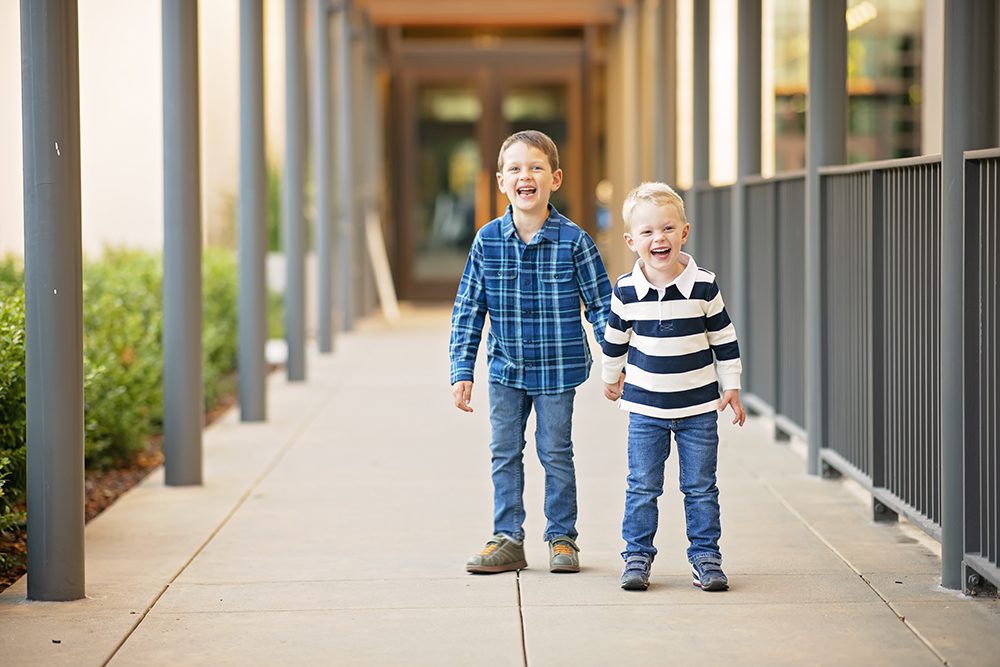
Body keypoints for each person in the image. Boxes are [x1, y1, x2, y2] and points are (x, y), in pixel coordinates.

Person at [450, 130, 612, 575]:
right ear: (501, 181)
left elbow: (601, 304)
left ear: (555, 179)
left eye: (536, 167)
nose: (526, 176)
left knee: (555, 451)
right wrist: (462, 369)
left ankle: (562, 538)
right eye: (516, 169)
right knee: (504, 451)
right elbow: (469, 308)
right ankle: (508, 538)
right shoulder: (488, 241)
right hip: (505, 369)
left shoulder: (574, 241)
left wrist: (615, 363)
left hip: (559, 369)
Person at [601, 181, 746, 592]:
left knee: (700, 487)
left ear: (684, 232)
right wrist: (610, 378)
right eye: (647, 232)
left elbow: (724, 337)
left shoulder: (704, 285)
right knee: (642, 486)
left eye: (667, 229)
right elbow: (615, 340)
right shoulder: (626, 290)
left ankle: (706, 556)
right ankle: (637, 556)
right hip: (645, 409)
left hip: (699, 408)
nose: (657, 239)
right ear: (631, 241)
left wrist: (730, 385)